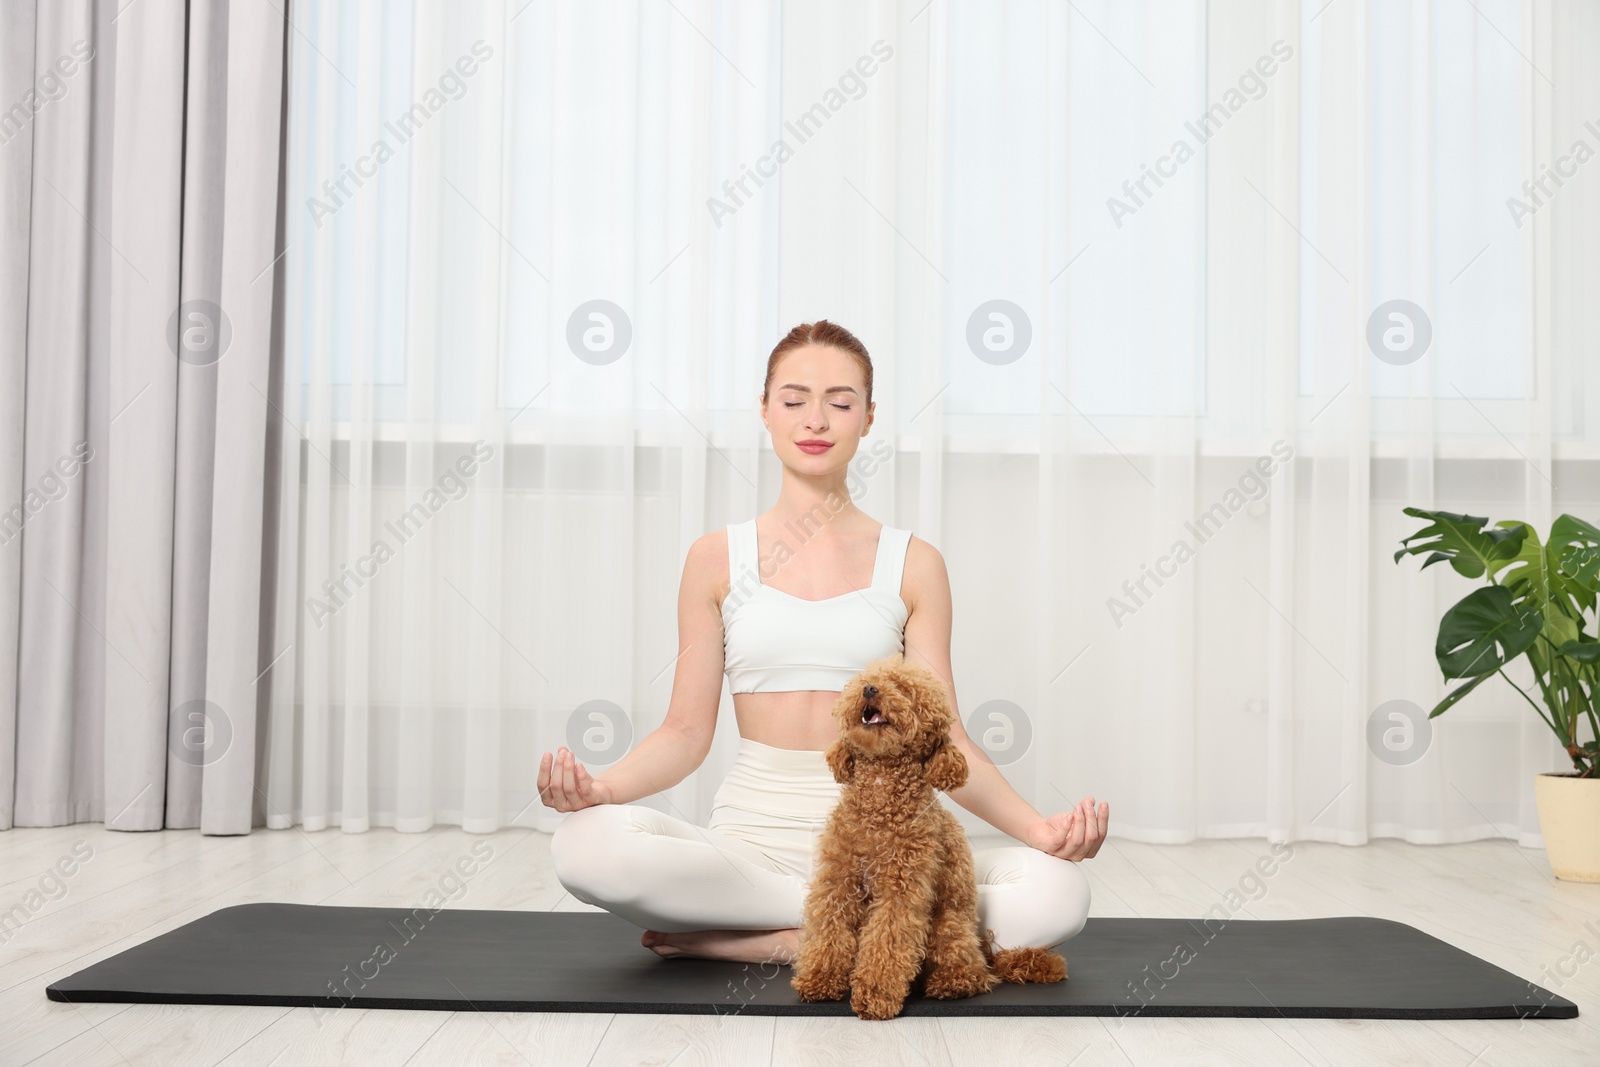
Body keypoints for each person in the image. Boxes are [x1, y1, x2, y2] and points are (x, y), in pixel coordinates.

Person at [540, 319, 1109, 965]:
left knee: (1058, 892)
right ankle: (853, 930)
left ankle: (789, 940)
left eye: (840, 402)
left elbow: (943, 735)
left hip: (886, 848)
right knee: (583, 845)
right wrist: (601, 790)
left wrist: (1041, 829)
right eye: (794, 399)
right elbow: (683, 733)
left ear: (868, 417)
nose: (816, 419)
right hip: (750, 849)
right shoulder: (715, 557)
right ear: (764, 411)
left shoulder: (914, 562)